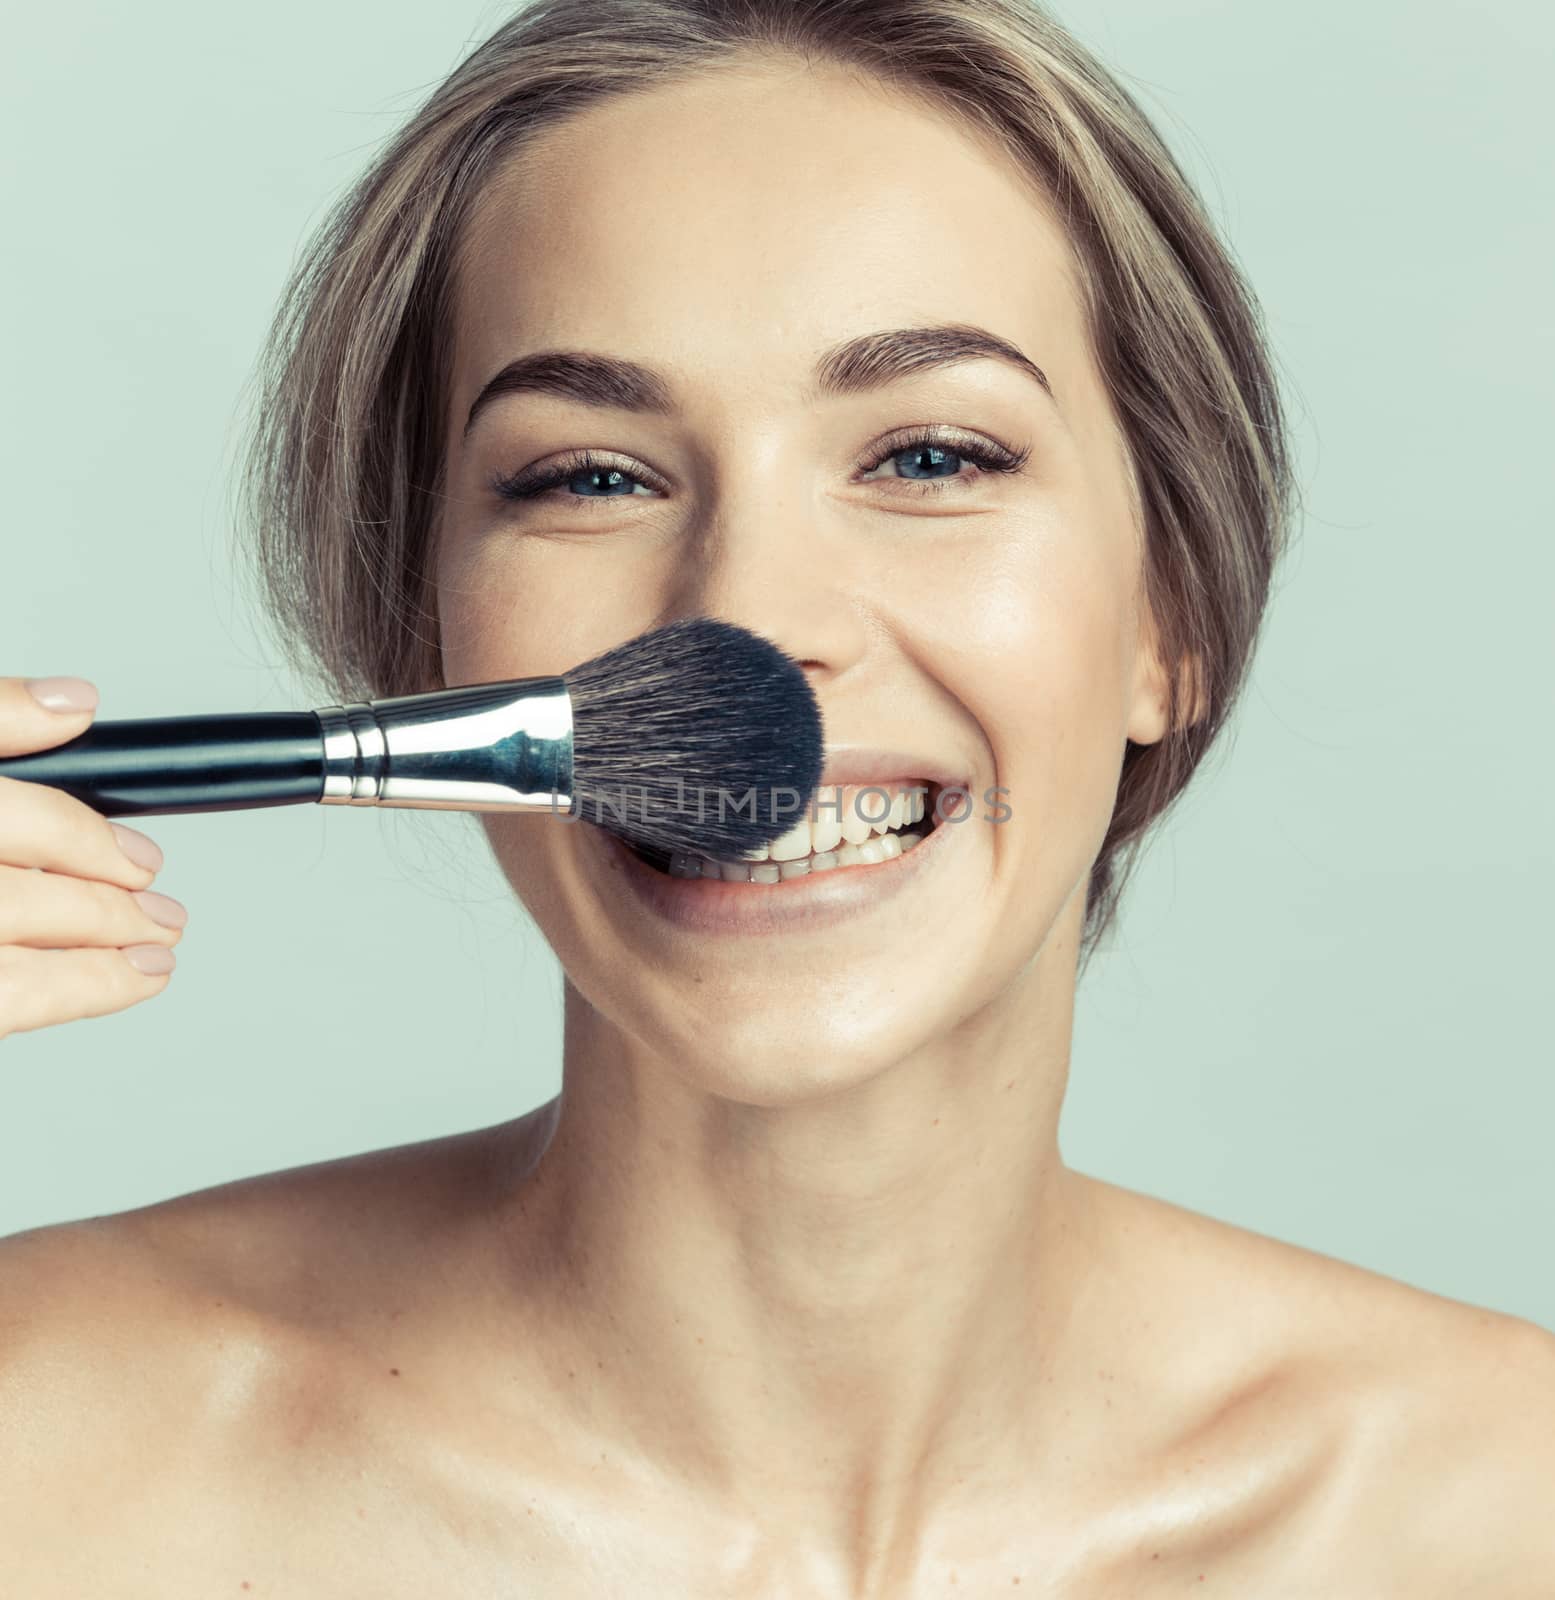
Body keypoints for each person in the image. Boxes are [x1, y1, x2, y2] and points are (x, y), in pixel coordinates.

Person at [2, 1, 1551, 1591]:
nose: (747, 609)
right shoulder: (47, 1452)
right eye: (592, 476)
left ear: (1174, 619)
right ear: (426, 641)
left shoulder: (1503, 1501)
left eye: (933, 456)